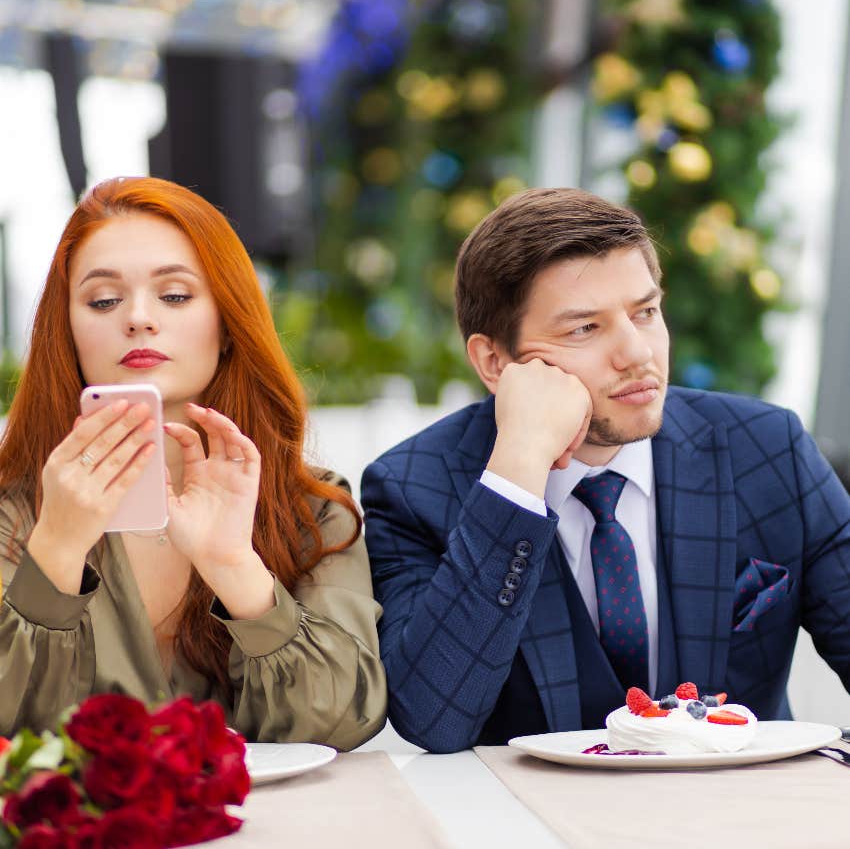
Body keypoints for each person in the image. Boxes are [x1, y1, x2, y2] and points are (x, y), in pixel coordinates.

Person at [361, 187, 850, 753]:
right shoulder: (412, 486)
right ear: (495, 362)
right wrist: (519, 470)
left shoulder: (768, 450)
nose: (637, 352)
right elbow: (432, 720)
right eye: (584, 329)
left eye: (645, 312)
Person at [0, 176, 386, 748]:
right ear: (67, 331)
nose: (137, 318)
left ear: (228, 325)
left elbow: (337, 722)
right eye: (103, 300)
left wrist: (233, 565)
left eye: (175, 295)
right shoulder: (15, 510)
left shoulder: (312, 507)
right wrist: (57, 545)